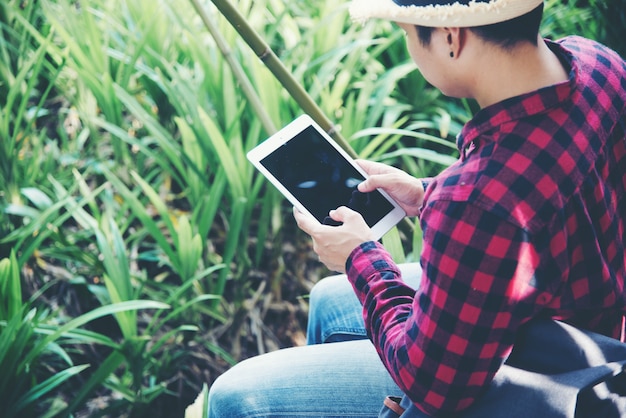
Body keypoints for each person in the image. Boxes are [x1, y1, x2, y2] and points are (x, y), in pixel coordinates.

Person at [206, 0, 626, 416]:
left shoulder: (475, 203)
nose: (409, 45)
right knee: (329, 301)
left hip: (550, 371)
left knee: (235, 397)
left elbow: (432, 385)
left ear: (450, 37)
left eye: (407, 33)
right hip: (589, 317)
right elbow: (540, 190)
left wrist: (360, 257)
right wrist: (429, 192)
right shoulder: (601, 68)